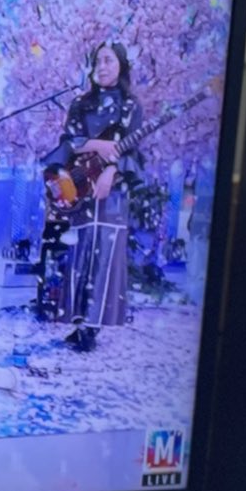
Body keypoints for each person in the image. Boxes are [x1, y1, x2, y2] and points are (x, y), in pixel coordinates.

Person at [56, 40, 148, 333]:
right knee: (81, 247)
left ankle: (95, 324)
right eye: (98, 61)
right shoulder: (80, 104)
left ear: (121, 65)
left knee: (107, 250)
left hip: (115, 188)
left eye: (108, 60)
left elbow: (131, 150)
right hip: (82, 183)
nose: (102, 67)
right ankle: (77, 319)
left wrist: (111, 170)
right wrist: (97, 145)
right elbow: (68, 142)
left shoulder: (131, 106)